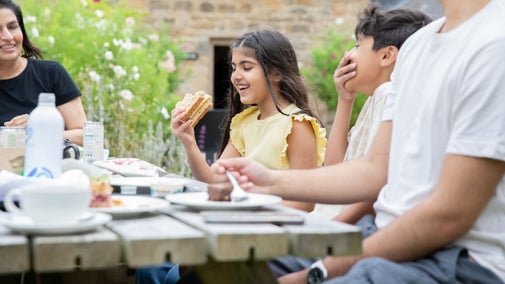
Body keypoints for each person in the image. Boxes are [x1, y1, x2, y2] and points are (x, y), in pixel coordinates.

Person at [210, 0, 505, 282]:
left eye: (357, 45)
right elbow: (375, 169)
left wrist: (318, 272)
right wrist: (269, 181)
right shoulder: (417, 46)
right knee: (220, 264)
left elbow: (448, 216)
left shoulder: (494, 43)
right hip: (382, 236)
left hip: (458, 261)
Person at [170, 28, 327, 212]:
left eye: (247, 67)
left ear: (276, 73)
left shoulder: (297, 125)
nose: (236, 76)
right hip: (245, 221)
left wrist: (248, 203)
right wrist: (190, 144)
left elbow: (304, 204)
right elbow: (214, 180)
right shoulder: (245, 122)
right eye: (234, 67)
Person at [310, 5, 432, 223]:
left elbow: (374, 187)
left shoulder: (388, 95)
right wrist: (345, 99)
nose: (348, 54)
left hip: (347, 227)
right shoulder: (377, 98)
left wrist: (333, 229)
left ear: (386, 55)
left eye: (357, 46)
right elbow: (337, 167)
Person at [0, 0, 87, 145]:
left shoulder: (51, 74)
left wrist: (39, 130)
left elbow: (84, 136)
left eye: (13, 27)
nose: (8, 36)